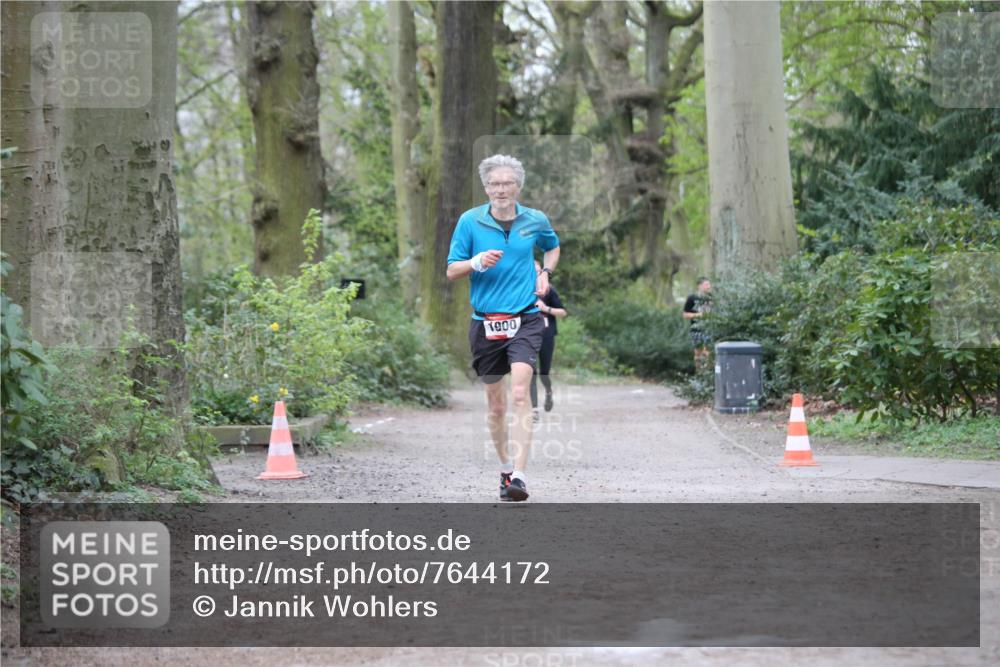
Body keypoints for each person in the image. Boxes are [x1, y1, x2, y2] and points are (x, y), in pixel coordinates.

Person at [446, 154, 560, 502]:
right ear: (486, 187)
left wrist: (544, 273)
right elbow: (452, 270)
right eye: (494, 184)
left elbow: (552, 247)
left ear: (518, 186)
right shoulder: (470, 222)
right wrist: (476, 262)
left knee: (520, 393)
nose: (501, 189)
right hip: (486, 323)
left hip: (525, 318)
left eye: (507, 183)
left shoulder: (534, 220)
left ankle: (521, 478)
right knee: (496, 405)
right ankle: (506, 468)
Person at [530, 261, 567, 421]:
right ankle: (534, 410)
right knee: (531, 372)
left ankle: (548, 392)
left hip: (546, 335)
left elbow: (563, 312)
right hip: (527, 336)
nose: (535, 275)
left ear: (542, 273)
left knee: (544, 373)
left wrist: (546, 309)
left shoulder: (549, 290)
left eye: (538, 271)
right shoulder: (521, 290)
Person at [683, 277, 713, 371]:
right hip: (696, 329)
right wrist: (698, 315)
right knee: (698, 353)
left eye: (709, 284)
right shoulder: (692, 298)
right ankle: (699, 373)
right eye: (706, 284)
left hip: (709, 329)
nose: (709, 286)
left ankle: (707, 375)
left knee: (707, 353)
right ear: (700, 286)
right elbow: (685, 314)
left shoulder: (711, 298)